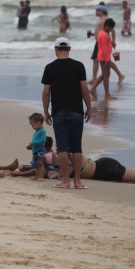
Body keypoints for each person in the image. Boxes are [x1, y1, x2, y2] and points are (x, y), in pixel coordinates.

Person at [42, 37, 92, 190]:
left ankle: (65, 180)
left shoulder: (50, 67)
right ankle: (77, 181)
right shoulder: (79, 66)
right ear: (70, 49)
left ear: (56, 49)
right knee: (77, 147)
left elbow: (46, 93)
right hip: (76, 111)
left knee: (62, 147)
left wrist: (46, 112)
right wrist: (89, 108)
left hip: (59, 112)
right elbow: (85, 90)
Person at [90, 18, 117, 99]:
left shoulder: (101, 33)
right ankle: (107, 94)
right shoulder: (105, 35)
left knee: (104, 75)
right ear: (107, 26)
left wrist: (111, 44)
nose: (111, 30)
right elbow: (104, 49)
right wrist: (107, 60)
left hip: (101, 56)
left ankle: (92, 89)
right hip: (104, 58)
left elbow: (102, 46)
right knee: (106, 75)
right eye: (111, 28)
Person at [26, 113, 47, 181]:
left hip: (40, 150)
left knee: (40, 163)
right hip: (35, 150)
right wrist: (30, 147)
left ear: (38, 123)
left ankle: (41, 176)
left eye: (32, 125)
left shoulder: (42, 131)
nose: (32, 126)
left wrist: (33, 143)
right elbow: (35, 142)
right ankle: (37, 176)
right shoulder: (36, 132)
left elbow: (43, 141)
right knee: (36, 165)